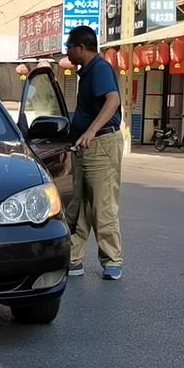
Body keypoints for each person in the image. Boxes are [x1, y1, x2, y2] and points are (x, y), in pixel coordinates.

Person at [63, 25, 124, 280]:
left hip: (101, 144)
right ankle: (74, 259)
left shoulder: (99, 69)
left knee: (101, 205)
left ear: (81, 48)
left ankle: (112, 261)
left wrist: (90, 131)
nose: (67, 51)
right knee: (79, 205)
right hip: (85, 146)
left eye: (69, 46)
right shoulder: (85, 73)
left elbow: (113, 100)